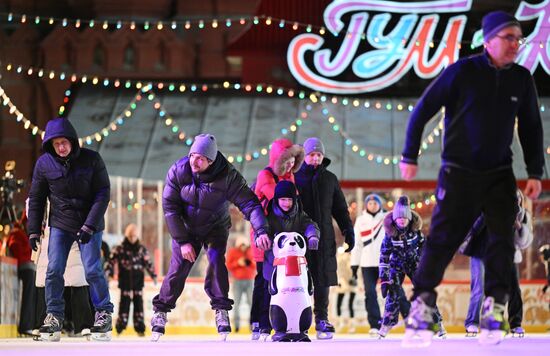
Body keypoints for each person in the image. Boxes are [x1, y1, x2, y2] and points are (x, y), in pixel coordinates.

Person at [399, 10, 544, 344]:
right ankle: (421, 305)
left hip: (499, 174)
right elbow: (423, 109)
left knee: (502, 240)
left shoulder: (521, 79)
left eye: (519, 39)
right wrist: (410, 154)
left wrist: (535, 171)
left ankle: (495, 310)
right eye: (509, 37)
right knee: (443, 240)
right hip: (458, 172)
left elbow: (533, 128)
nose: (515, 45)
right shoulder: (462, 73)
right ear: (489, 39)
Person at [150, 133, 270, 341]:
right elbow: (170, 208)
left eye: (200, 158)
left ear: (211, 161)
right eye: (192, 156)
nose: (194, 162)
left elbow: (250, 204)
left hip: (215, 226)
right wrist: (183, 241)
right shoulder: (179, 171)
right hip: (186, 229)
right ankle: (161, 311)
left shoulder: (227, 176)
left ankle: (221, 309)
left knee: (215, 260)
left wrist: (261, 230)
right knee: (178, 268)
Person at [26, 117, 114, 342]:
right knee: (54, 269)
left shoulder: (91, 160)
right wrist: (33, 230)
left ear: (73, 142)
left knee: (93, 269)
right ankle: (53, 316)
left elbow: (103, 193)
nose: (61, 147)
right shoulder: (44, 164)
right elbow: (36, 198)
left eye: (64, 142)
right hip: (61, 225)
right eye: (56, 144)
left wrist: (90, 225)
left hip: (90, 224)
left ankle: (103, 314)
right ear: (50, 145)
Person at [294, 137, 355, 339]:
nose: (316, 158)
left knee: (322, 279)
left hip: (325, 239)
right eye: (312, 154)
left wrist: (348, 230)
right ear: (304, 156)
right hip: (300, 238)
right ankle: (297, 320)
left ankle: (321, 319)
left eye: (319, 155)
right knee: (300, 280)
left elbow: (340, 209)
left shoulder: (330, 179)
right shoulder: (295, 177)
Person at [250, 138, 304, 339]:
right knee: (264, 280)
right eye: (287, 159)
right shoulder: (266, 175)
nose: (291, 164)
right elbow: (278, 200)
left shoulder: (289, 177)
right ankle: (259, 322)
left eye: (293, 160)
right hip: (264, 235)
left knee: (281, 281)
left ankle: (280, 320)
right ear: (278, 158)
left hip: (283, 236)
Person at [461, 189, 533, 337]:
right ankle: (472, 323)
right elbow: (472, 231)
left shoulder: (523, 215)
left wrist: (518, 226)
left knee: (513, 289)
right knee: (479, 289)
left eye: (518, 198)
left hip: (506, 255)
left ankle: (515, 323)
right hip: (480, 252)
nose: (515, 201)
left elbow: (524, 242)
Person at [378, 196, 445, 338]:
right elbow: (383, 257)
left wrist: (426, 268)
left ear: (409, 219)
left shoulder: (416, 233)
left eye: (405, 218)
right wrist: (384, 279)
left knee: (424, 293)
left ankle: (437, 324)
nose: (402, 220)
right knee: (393, 294)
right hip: (396, 266)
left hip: (415, 264)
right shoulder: (390, 235)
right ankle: (387, 325)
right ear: (395, 219)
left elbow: (425, 250)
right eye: (399, 218)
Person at [33, 226, 94, 339]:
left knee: (77, 279)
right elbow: (32, 210)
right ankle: (44, 321)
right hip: (47, 236)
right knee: (46, 280)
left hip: (72, 232)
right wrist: (33, 231)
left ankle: (84, 323)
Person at [106, 223, 157, 336]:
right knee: (124, 305)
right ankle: (120, 328)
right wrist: (109, 274)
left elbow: (148, 263)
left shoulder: (141, 249)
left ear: (137, 236)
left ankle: (140, 329)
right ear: (126, 236)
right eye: (130, 236)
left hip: (138, 282)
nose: (132, 239)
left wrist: (153, 275)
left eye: (134, 236)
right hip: (125, 282)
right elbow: (110, 262)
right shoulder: (120, 248)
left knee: (139, 305)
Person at [350, 193, 386, 336]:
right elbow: (357, 244)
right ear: (366, 205)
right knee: (370, 293)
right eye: (370, 203)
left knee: (393, 292)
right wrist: (354, 264)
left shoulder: (386, 218)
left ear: (379, 205)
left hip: (385, 263)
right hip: (367, 263)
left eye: (375, 203)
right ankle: (375, 324)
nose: (372, 206)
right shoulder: (361, 220)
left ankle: (403, 321)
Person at [6, 212, 36, 336]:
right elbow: (14, 247)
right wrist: (27, 255)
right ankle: (26, 325)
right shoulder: (17, 232)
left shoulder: (26, 234)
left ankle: (32, 324)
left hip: (28, 267)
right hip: (23, 267)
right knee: (30, 290)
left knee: (36, 291)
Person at [225, 235, 256, 333]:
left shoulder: (251, 251)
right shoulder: (233, 252)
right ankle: (237, 326)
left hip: (250, 280)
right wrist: (238, 263)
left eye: (245, 245)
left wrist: (249, 262)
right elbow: (228, 265)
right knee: (236, 304)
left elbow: (256, 264)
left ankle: (252, 325)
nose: (243, 247)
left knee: (252, 304)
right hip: (237, 280)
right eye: (241, 245)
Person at [335, 247, 356, 333]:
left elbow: (355, 270)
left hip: (350, 282)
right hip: (343, 282)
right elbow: (338, 270)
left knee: (350, 304)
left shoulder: (352, 258)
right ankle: (340, 324)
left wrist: (354, 279)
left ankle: (351, 325)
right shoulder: (341, 257)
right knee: (340, 303)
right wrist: (339, 280)